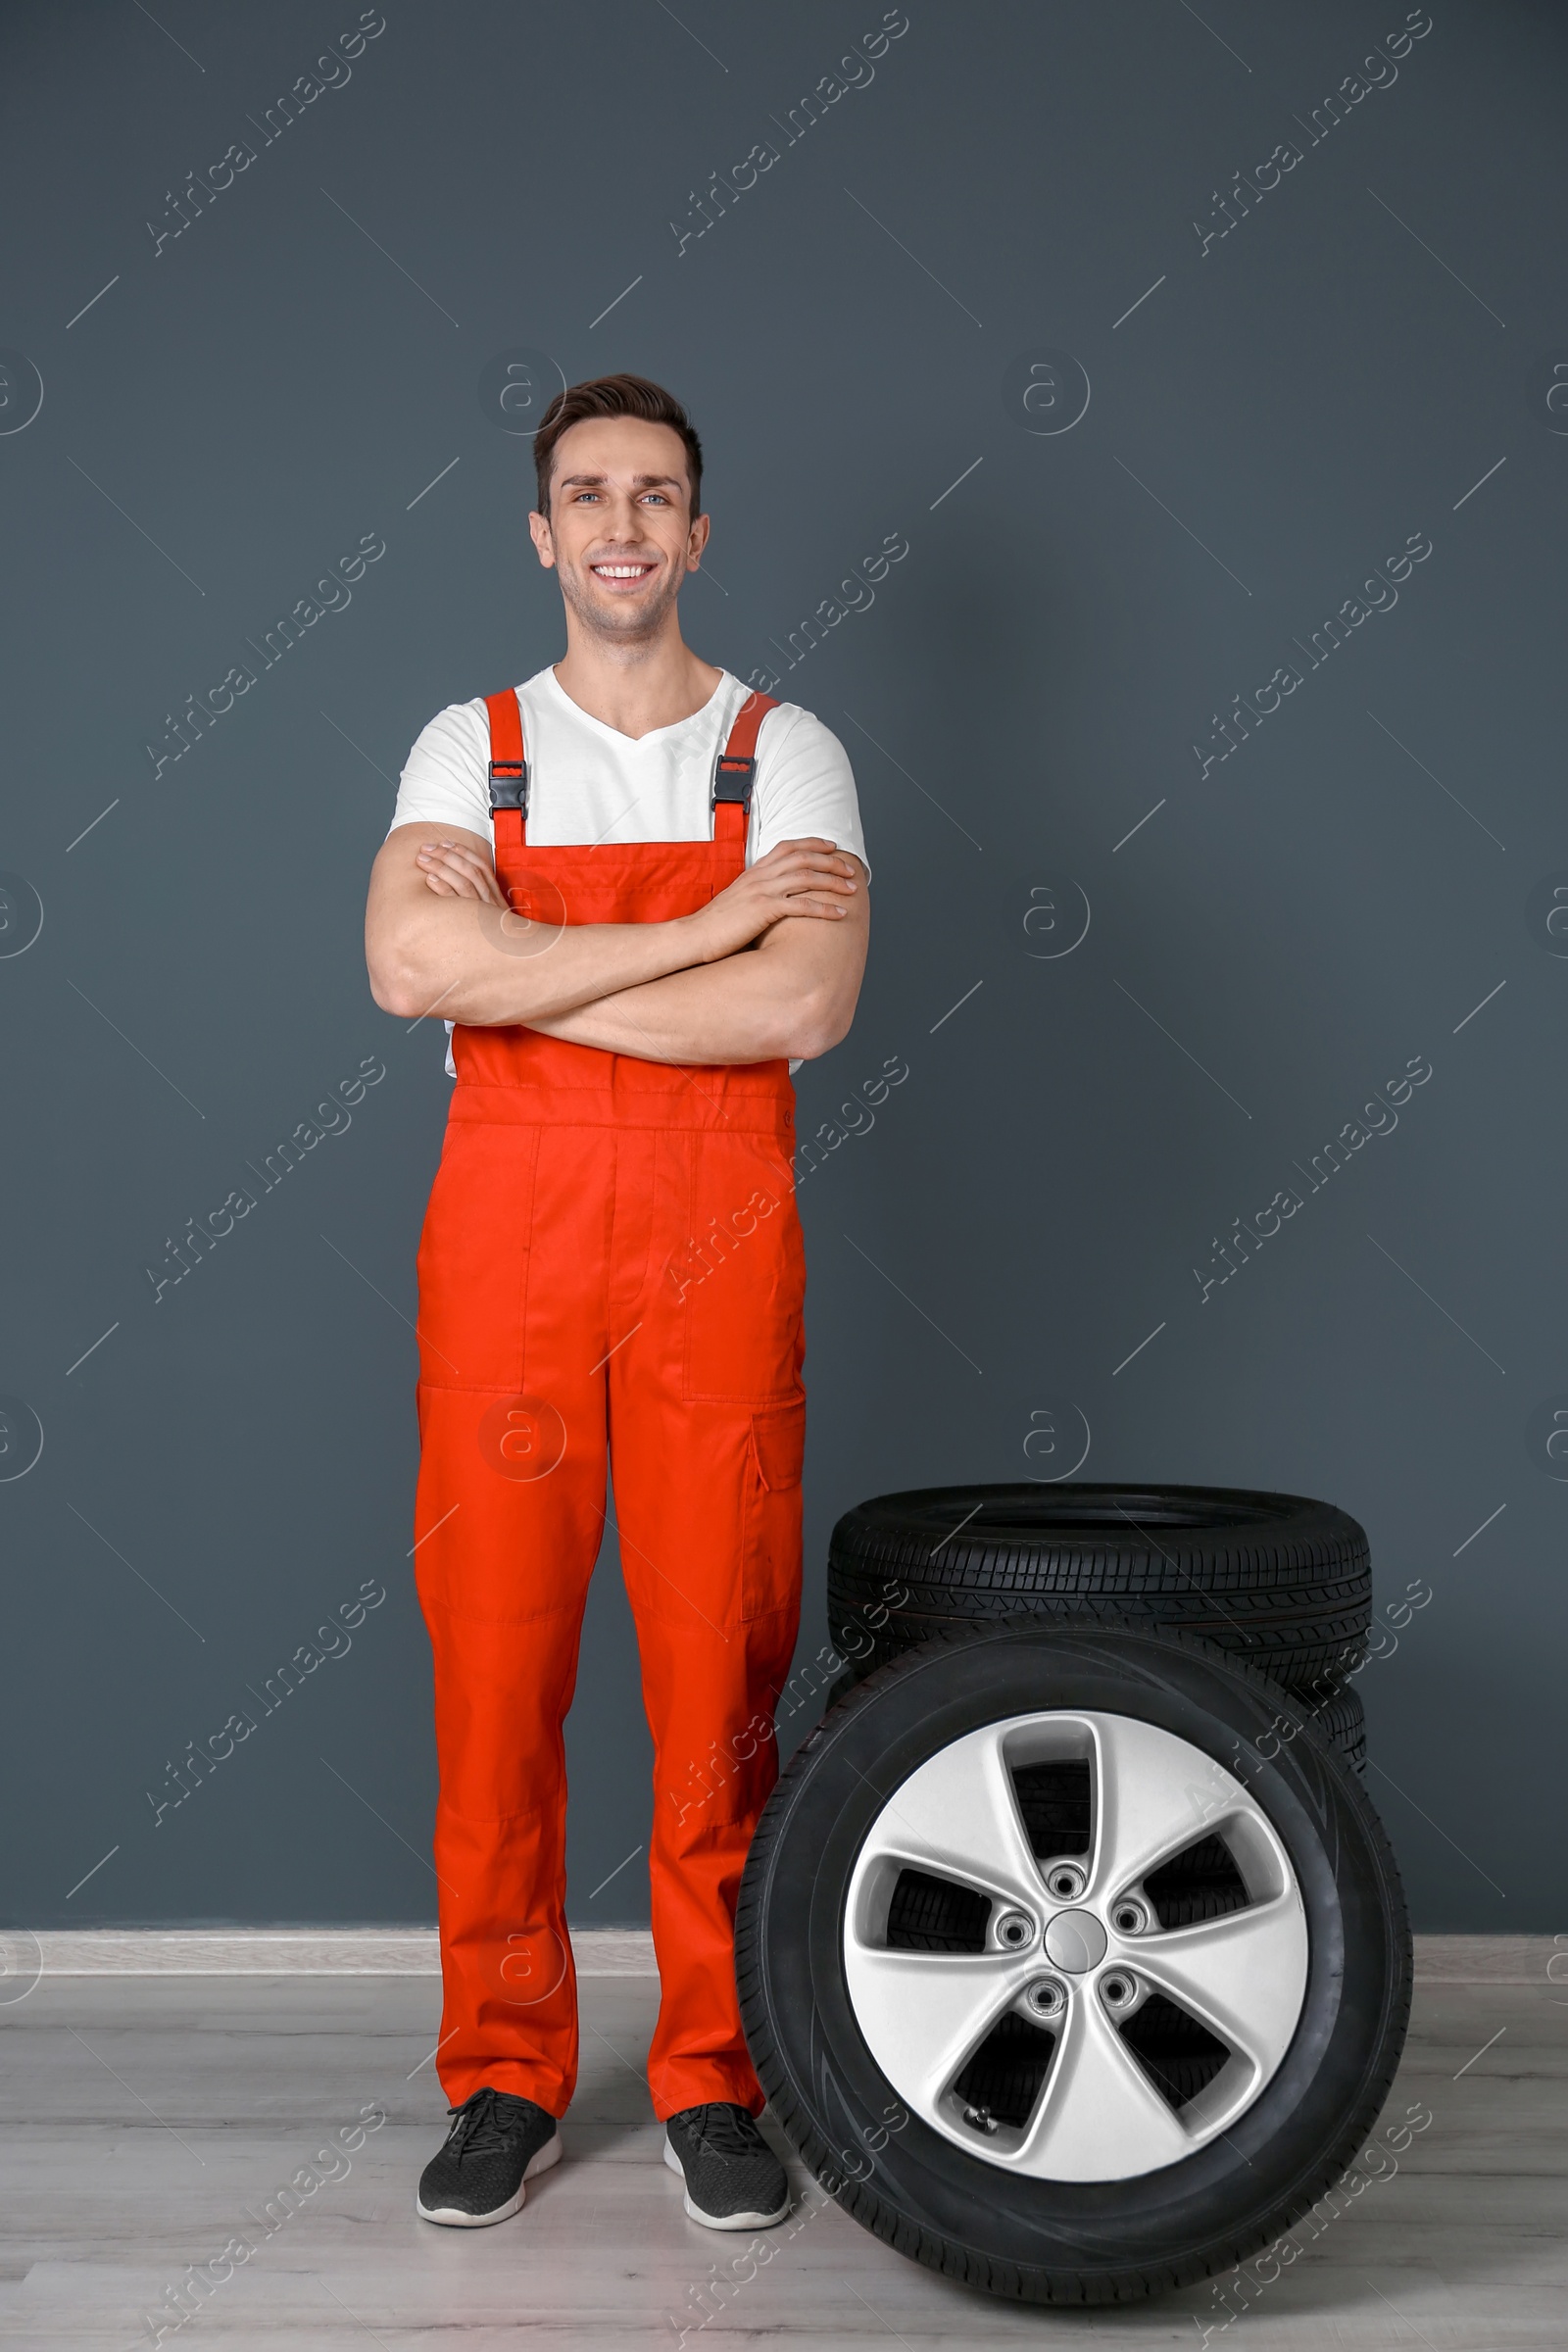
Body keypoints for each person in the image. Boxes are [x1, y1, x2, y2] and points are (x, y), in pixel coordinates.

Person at [364, 374, 868, 2233]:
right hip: (504, 1255)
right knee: (497, 1675)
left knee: (715, 1681)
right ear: (542, 534)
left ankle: (715, 2077)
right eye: (589, 495)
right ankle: (503, 2070)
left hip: (715, 1263)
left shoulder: (786, 748)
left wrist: (531, 977)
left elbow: (800, 1012)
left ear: (701, 529)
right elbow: (409, 960)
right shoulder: (468, 742)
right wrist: (704, 927)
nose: (625, 526)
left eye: (658, 494)